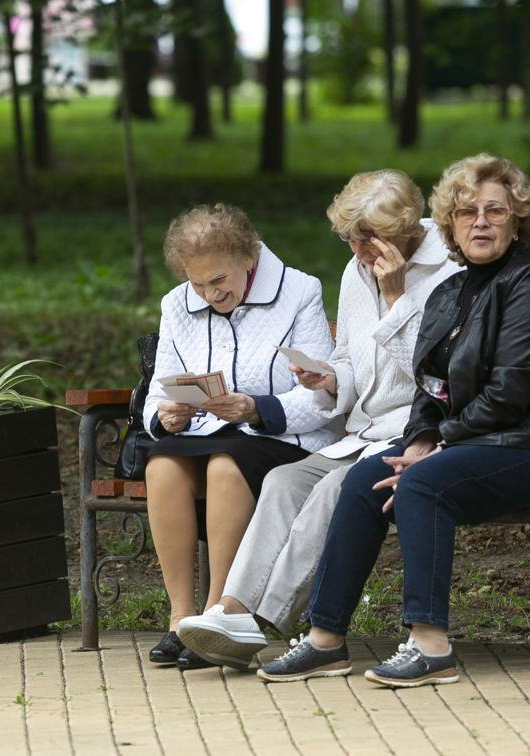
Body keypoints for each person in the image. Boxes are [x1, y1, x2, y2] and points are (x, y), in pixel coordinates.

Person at [256, 153, 530, 687]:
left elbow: (512, 392)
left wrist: (437, 448)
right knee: (365, 479)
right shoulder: (453, 290)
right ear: (450, 224)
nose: (480, 222)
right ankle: (325, 639)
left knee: (423, 485)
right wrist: (420, 437)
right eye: (467, 212)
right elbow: (429, 386)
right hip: (474, 442)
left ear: (517, 221)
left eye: (495, 211)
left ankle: (430, 644)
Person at [176, 170, 459, 670]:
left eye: (368, 239)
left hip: (418, 434)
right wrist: (327, 380)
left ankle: (267, 625)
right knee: (286, 481)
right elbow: (351, 359)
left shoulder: (450, 269)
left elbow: (439, 375)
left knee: (334, 491)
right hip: (364, 433)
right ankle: (233, 610)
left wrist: (395, 298)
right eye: (350, 239)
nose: (357, 251)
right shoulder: (357, 270)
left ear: (406, 231)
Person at [143, 203, 341, 670]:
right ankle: (179, 618)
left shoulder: (299, 291)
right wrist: (165, 415)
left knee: (224, 465)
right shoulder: (175, 304)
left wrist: (258, 408)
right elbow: (158, 390)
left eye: (220, 281)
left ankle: (216, 620)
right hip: (203, 430)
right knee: (162, 465)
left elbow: (322, 394)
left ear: (248, 260)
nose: (211, 294)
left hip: (275, 436)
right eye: (199, 284)